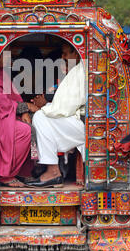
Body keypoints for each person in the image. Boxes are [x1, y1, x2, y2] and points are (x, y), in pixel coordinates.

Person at [25, 43, 87, 188]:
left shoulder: (80, 72)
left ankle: (53, 171)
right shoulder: (75, 72)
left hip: (85, 126)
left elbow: (66, 107)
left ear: (77, 54)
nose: (62, 57)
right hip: (77, 122)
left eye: (65, 53)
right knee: (41, 115)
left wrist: (41, 107)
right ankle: (50, 169)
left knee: (40, 117)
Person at [0, 51, 38, 188]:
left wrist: (25, 110)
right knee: (24, 131)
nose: (10, 57)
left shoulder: (2, 74)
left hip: (9, 114)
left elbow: (15, 98)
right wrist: (26, 107)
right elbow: (3, 104)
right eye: (5, 54)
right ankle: (6, 174)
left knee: (35, 120)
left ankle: (25, 171)